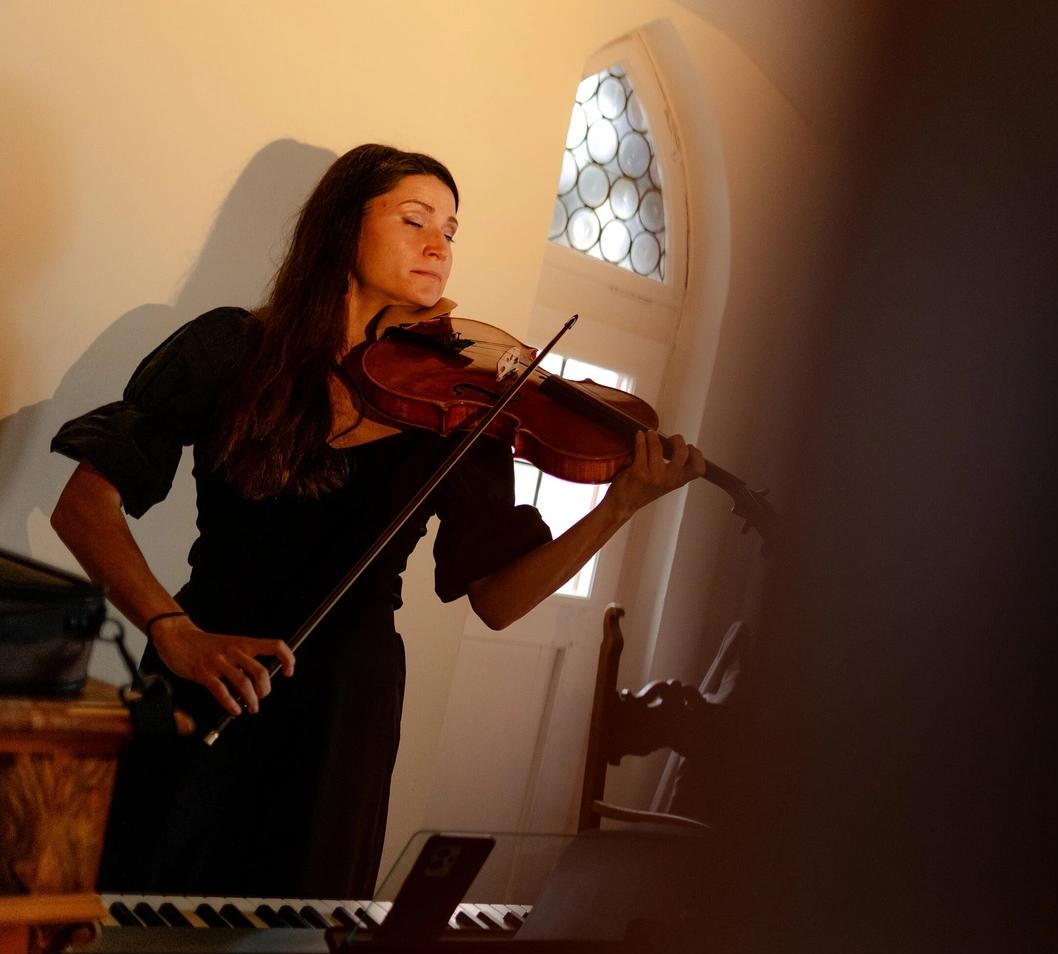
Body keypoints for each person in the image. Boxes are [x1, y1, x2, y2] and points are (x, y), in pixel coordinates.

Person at [47, 142, 704, 900]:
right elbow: (82, 503)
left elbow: (496, 599)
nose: (439, 245)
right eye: (415, 219)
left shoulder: (467, 401)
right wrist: (172, 629)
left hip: (343, 711)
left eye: (451, 231)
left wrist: (618, 506)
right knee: (139, 902)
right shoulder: (231, 347)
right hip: (206, 670)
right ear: (339, 228)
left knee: (293, 946)